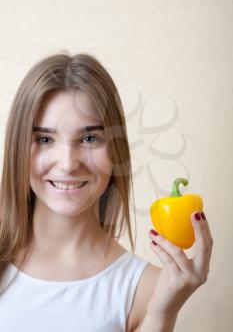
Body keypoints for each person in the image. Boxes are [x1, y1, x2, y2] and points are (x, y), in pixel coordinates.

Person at [0, 52, 213, 332]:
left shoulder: (148, 290)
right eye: (44, 139)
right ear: (17, 147)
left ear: (117, 151)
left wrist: (162, 312)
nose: (67, 164)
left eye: (89, 138)